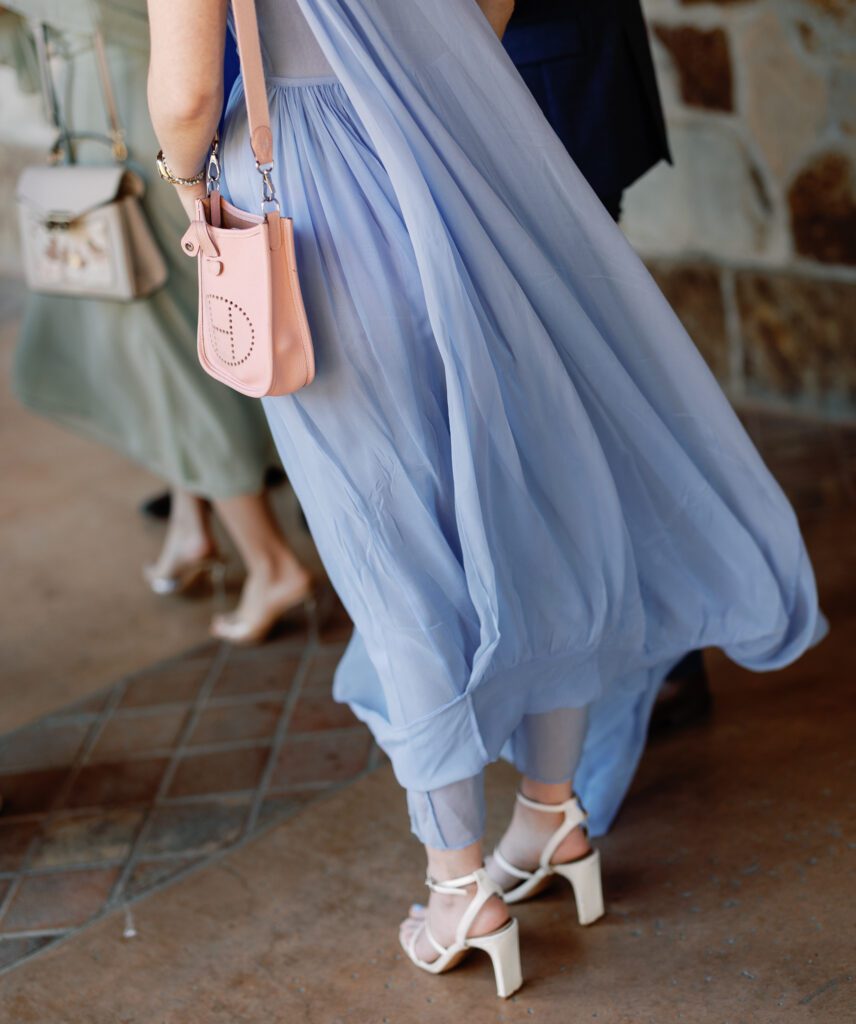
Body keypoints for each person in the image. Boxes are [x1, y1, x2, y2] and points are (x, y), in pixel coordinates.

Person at [146, 0, 825, 996]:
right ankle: (550, 811)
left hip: (307, 187)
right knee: (525, 490)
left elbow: (189, 89)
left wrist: (184, 181)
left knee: (391, 539)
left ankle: (457, 882)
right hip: (454, 150)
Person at [3, 0, 315, 645]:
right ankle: (193, 524)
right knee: (157, 339)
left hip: (144, 119)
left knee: (174, 344)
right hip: (107, 113)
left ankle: (270, 561)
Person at [503, 0, 711, 739]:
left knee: (584, 400)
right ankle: (647, 647)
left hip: (538, 80)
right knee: (574, 397)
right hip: (537, 75)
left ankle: (659, 650)